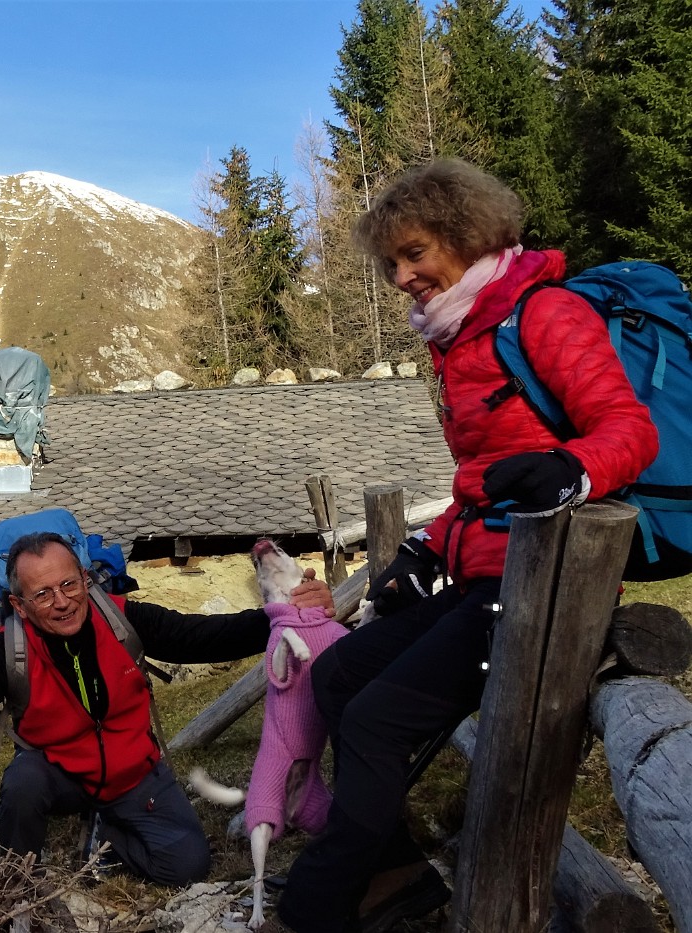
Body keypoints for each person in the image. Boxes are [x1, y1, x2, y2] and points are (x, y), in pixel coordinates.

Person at [263, 160, 659, 933]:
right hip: (483, 575)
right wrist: (427, 544)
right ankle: (397, 876)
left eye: (415, 253)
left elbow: (629, 430)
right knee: (339, 672)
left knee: (376, 719)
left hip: (542, 591)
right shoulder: (461, 335)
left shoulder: (543, 315)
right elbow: (482, 481)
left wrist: (573, 470)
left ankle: (321, 900)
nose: (403, 276)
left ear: (465, 233)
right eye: (391, 264)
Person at [0, 531, 336, 887]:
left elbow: (204, 636)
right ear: (19, 606)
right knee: (24, 780)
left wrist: (286, 614)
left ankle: (101, 841)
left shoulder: (124, 621)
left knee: (187, 866)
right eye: (43, 594)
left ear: (85, 580)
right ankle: (17, 883)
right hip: (59, 774)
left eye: (69, 584)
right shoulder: (8, 651)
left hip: (133, 774)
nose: (63, 601)